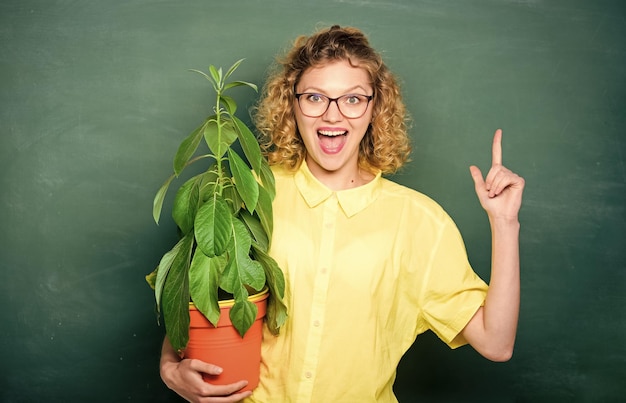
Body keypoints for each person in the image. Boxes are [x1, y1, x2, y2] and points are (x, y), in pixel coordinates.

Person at [159, 25, 525, 402]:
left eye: (352, 99)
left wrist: (505, 222)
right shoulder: (248, 191)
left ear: (374, 108)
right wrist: (171, 369)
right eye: (315, 97)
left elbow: (496, 343)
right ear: (292, 105)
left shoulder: (420, 222)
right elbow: (196, 296)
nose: (332, 116)